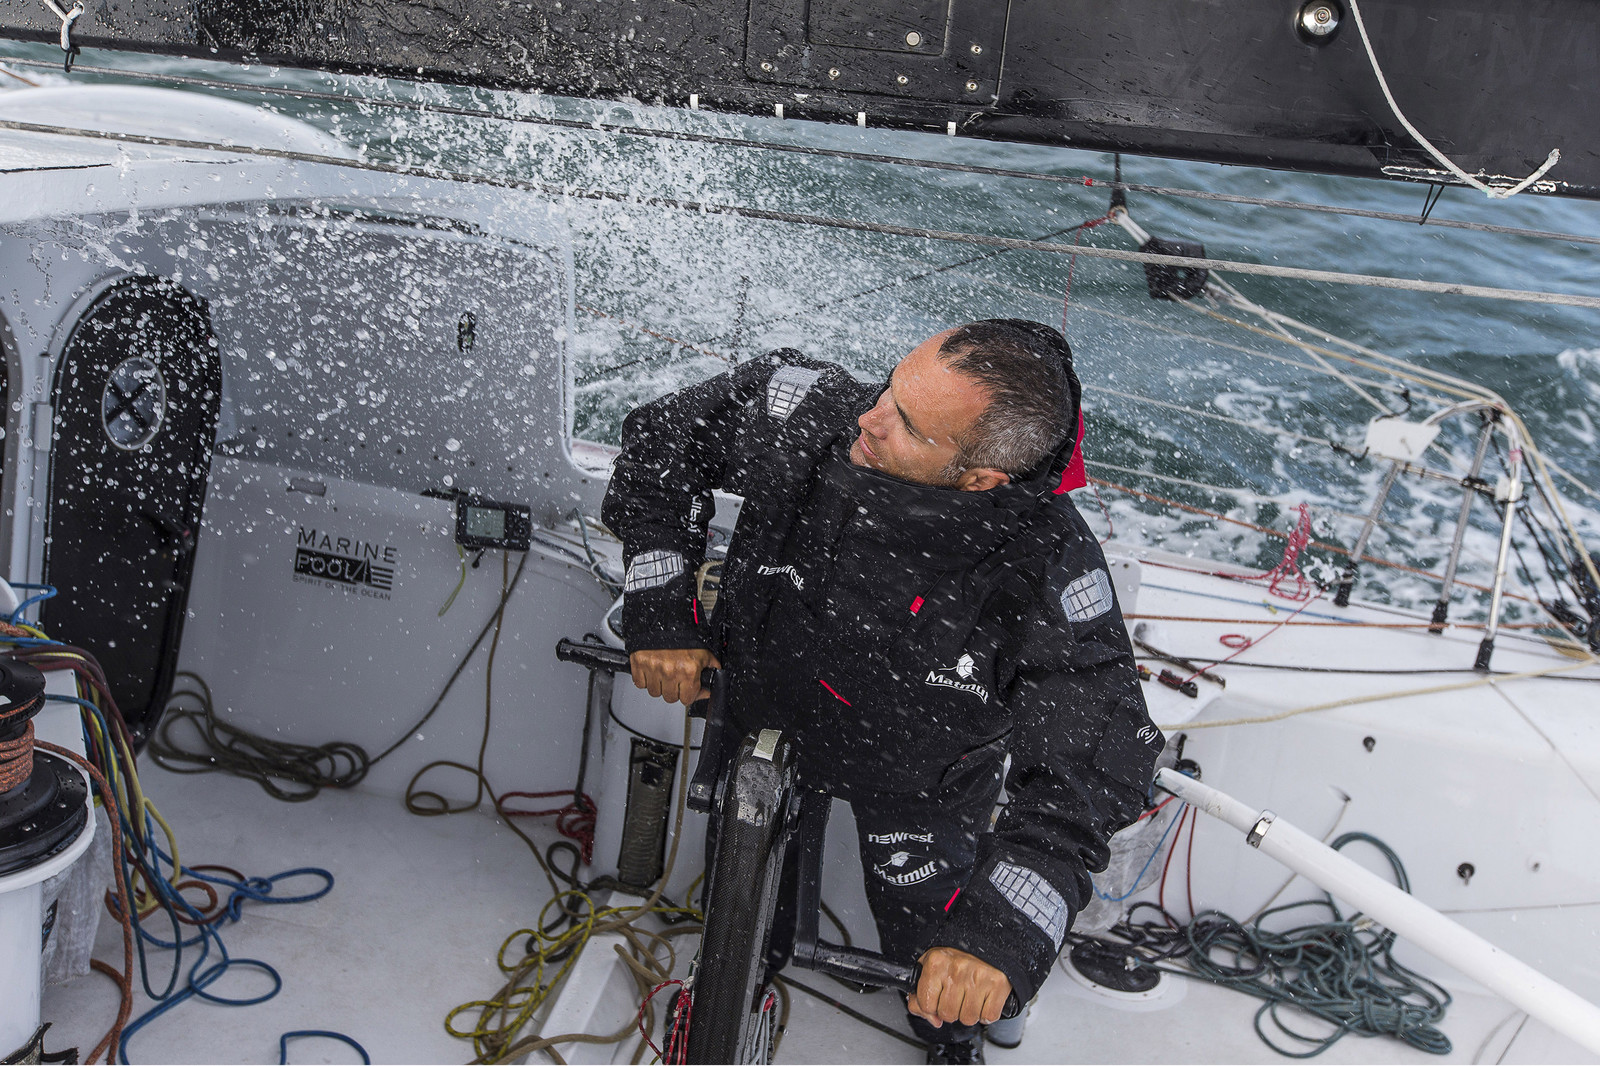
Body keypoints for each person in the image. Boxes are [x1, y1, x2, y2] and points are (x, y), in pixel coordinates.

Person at [602, 319, 1161, 1063]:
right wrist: (661, 608)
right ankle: (738, 979)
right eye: (892, 386)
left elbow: (1092, 763)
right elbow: (658, 450)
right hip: (762, 716)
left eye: (905, 423)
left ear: (981, 477)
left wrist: (1000, 935)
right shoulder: (808, 414)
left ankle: (947, 1034)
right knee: (739, 901)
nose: (868, 416)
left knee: (928, 925)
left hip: (918, 773)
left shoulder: (1049, 562)